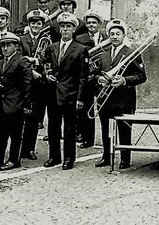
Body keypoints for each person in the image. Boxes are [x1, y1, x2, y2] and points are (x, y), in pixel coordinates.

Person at [94, 19, 147, 170]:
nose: (115, 36)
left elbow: (142, 76)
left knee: (124, 129)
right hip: (105, 98)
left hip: (124, 99)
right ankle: (106, 156)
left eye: (118, 34)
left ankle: (125, 158)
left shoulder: (131, 53)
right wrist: (99, 79)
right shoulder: (103, 55)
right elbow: (94, 74)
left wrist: (124, 80)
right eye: (112, 34)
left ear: (123, 35)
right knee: (106, 129)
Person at [42, 12, 88, 170]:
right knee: (53, 127)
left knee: (69, 129)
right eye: (62, 27)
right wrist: (47, 75)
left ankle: (69, 158)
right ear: (59, 29)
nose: (65, 29)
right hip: (52, 93)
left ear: (74, 29)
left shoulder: (81, 49)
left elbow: (83, 76)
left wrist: (80, 98)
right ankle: (54, 156)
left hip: (70, 94)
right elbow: (45, 66)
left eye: (68, 26)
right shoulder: (51, 47)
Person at [0, 33, 32, 171]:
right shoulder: (0, 63)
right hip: (0, 103)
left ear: (16, 46)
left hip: (16, 103)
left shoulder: (22, 61)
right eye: (3, 45)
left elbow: (26, 84)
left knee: (15, 134)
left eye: (8, 45)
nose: (5, 48)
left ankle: (14, 160)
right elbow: (0, 79)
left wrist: (26, 104)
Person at [19, 9, 51, 160]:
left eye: (39, 23)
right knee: (20, 118)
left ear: (42, 24)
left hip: (40, 85)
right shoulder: (21, 39)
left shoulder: (47, 41)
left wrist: (37, 62)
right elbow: (18, 59)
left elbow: (49, 61)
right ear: (29, 24)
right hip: (24, 84)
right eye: (33, 23)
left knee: (35, 118)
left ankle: (29, 149)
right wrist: (31, 72)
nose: (36, 25)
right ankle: (16, 149)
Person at [74, 10, 105, 149]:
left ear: (99, 24)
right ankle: (88, 138)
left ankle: (107, 139)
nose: (91, 25)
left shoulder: (107, 37)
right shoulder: (80, 38)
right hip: (86, 77)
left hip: (101, 77)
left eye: (94, 22)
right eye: (89, 22)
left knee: (104, 108)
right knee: (86, 109)